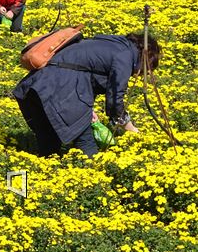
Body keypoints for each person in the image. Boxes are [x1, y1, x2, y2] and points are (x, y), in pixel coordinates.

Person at [13, 33, 161, 158]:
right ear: (147, 57)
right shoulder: (125, 56)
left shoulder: (110, 44)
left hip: (37, 85)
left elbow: (84, 71)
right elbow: (116, 98)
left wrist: (87, 109)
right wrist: (131, 130)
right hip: (60, 89)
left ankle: (44, 179)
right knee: (86, 144)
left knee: (49, 143)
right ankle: (93, 178)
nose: (142, 74)